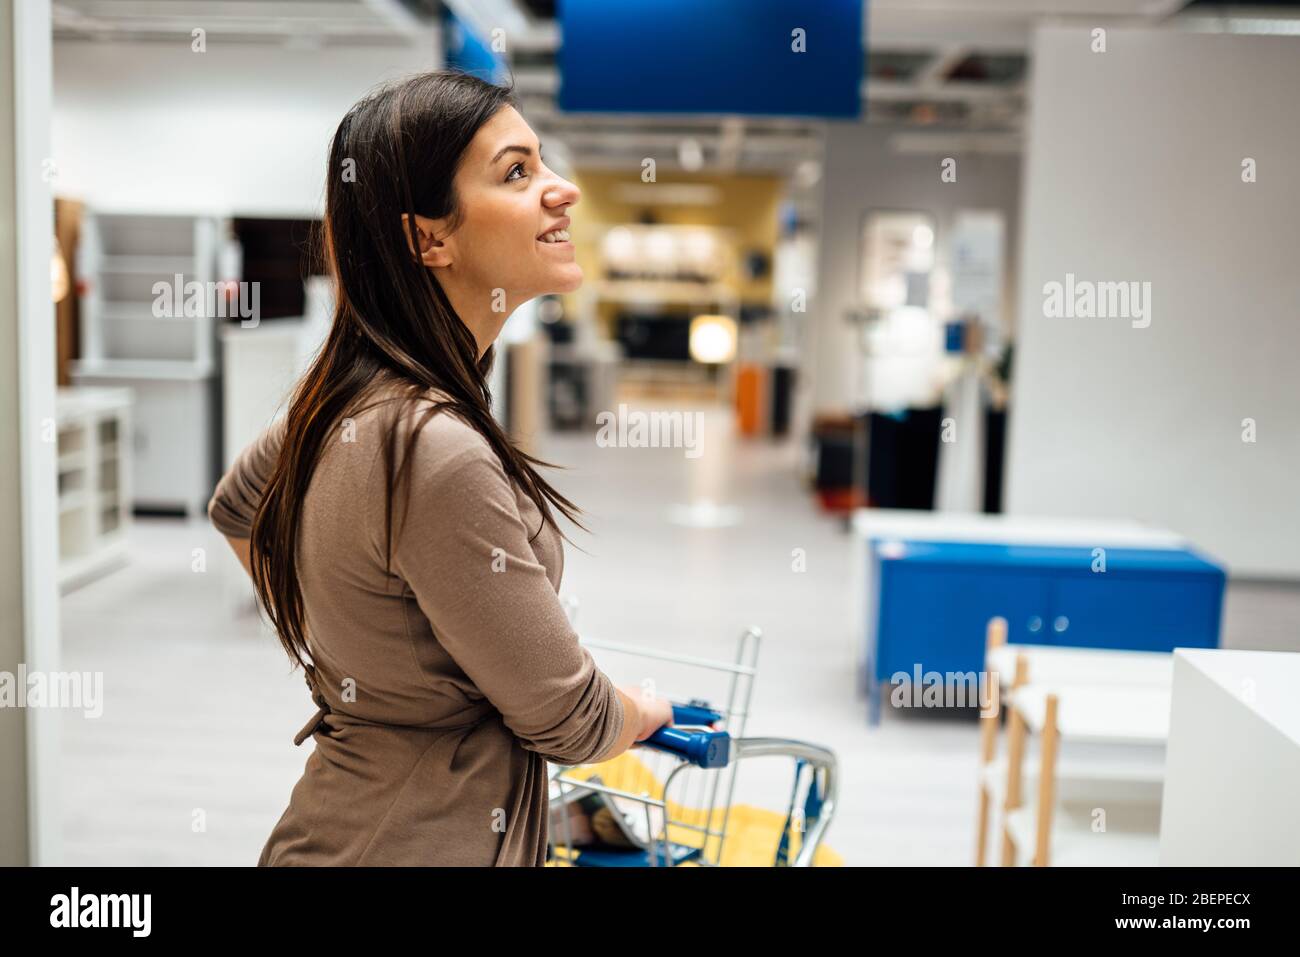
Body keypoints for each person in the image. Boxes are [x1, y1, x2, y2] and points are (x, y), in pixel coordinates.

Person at [208, 70, 673, 866]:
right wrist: (645, 708)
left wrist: (368, 670)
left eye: (543, 163)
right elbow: (573, 720)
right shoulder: (434, 446)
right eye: (517, 172)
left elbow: (237, 508)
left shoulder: (353, 391)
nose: (561, 191)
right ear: (431, 238)